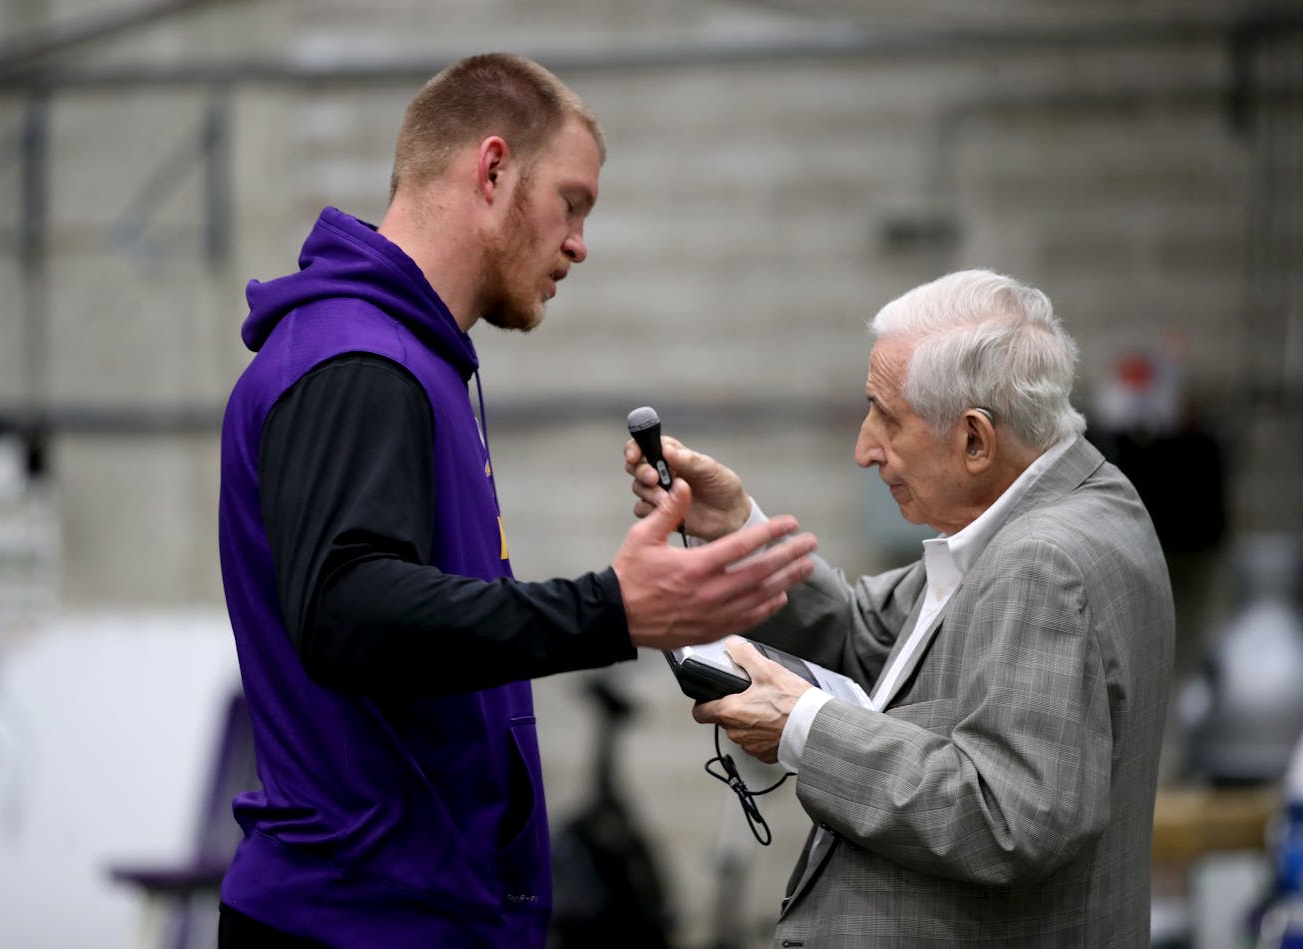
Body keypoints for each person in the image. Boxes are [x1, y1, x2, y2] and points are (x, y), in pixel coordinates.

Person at [215, 52, 818, 948]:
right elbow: (348, 610)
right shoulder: (356, 360)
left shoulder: (406, 358)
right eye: (571, 203)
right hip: (360, 922)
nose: (580, 242)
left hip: (412, 914)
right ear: (493, 170)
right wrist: (612, 609)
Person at [626, 269, 1174, 947]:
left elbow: (1009, 816)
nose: (864, 449)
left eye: (887, 417)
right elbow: (871, 634)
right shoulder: (1071, 497)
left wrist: (801, 724)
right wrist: (737, 527)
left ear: (975, 439)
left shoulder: (1042, 561)